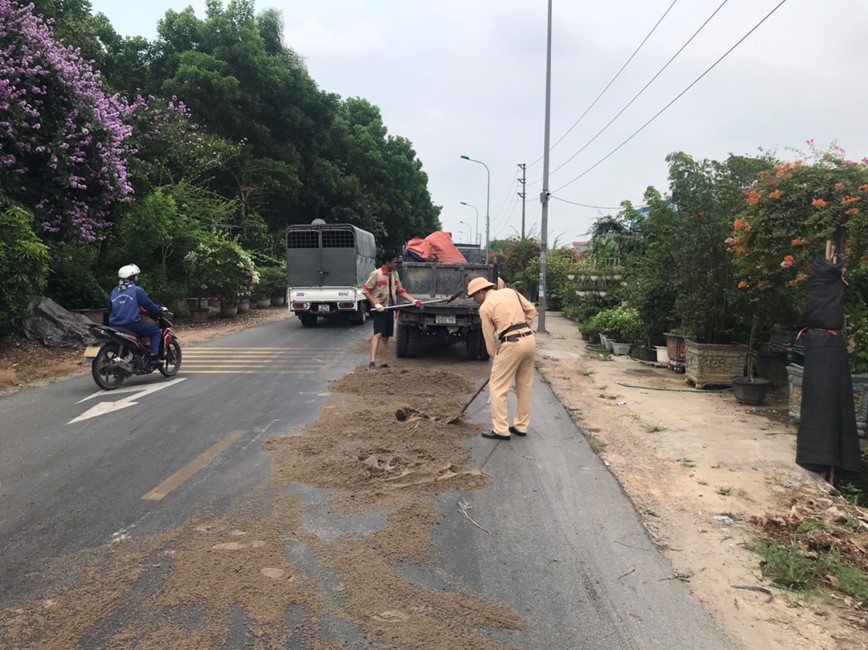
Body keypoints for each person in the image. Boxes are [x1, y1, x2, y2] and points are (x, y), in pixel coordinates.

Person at [795, 249, 862, 484]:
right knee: (823, 402)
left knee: (831, 402)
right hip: (825, 348)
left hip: (826, 348)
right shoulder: (822, 284)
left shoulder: (823, 283)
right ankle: (822, 461)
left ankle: (830, 466)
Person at [467, 276, 537, 440]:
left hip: (511, 344)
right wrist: (524, 329)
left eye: (474, 296)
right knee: (524, 385)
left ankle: (500, 429)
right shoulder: (511, 292)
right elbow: (532, 311)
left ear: (482, 292)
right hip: (529, 340)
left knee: (498, 387)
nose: (474, 300)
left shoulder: (485, 307)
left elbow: (488, 336)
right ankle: (521, 426)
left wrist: (494, 355)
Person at [362, 253, 421, 370]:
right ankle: (372, 362)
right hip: (379, 309)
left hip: (390, 308)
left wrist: (413, 300)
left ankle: (383, 362)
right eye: (394, 262)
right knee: (378, 334)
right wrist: (375, 303)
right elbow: (365, 290)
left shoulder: (395, 274)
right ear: (387, 262)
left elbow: (400, 290)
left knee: (386, 336)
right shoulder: (376, 274)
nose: (396, 264)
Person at [107, 264, 167, 368]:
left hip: (114, 325)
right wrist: (160, 309)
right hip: (132, 324)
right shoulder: (137, 290)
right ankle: (154, 358)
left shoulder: (114, 291)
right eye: (135, 276)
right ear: (132, 277)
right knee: (156, 331)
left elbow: (109, 307)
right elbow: (149, 305)